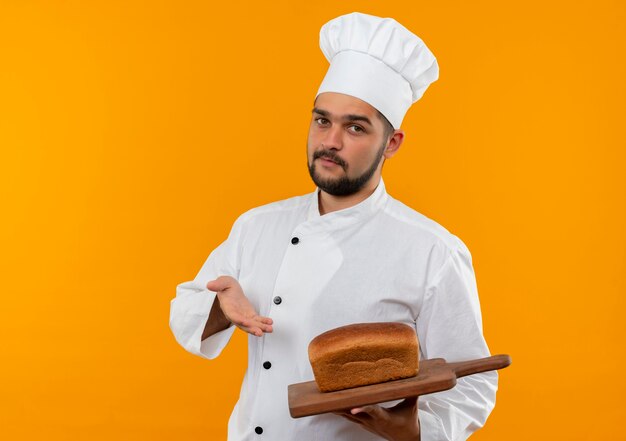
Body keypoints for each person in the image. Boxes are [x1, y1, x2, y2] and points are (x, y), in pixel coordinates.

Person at [170, 12, 498, 441]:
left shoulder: (432, 250)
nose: (330, 142)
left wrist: (416, 430)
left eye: (355, 128)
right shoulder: (256, 226)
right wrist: (220, 309)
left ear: (392, 143)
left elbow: (474, 384)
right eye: (322, 120)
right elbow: (185, 311)